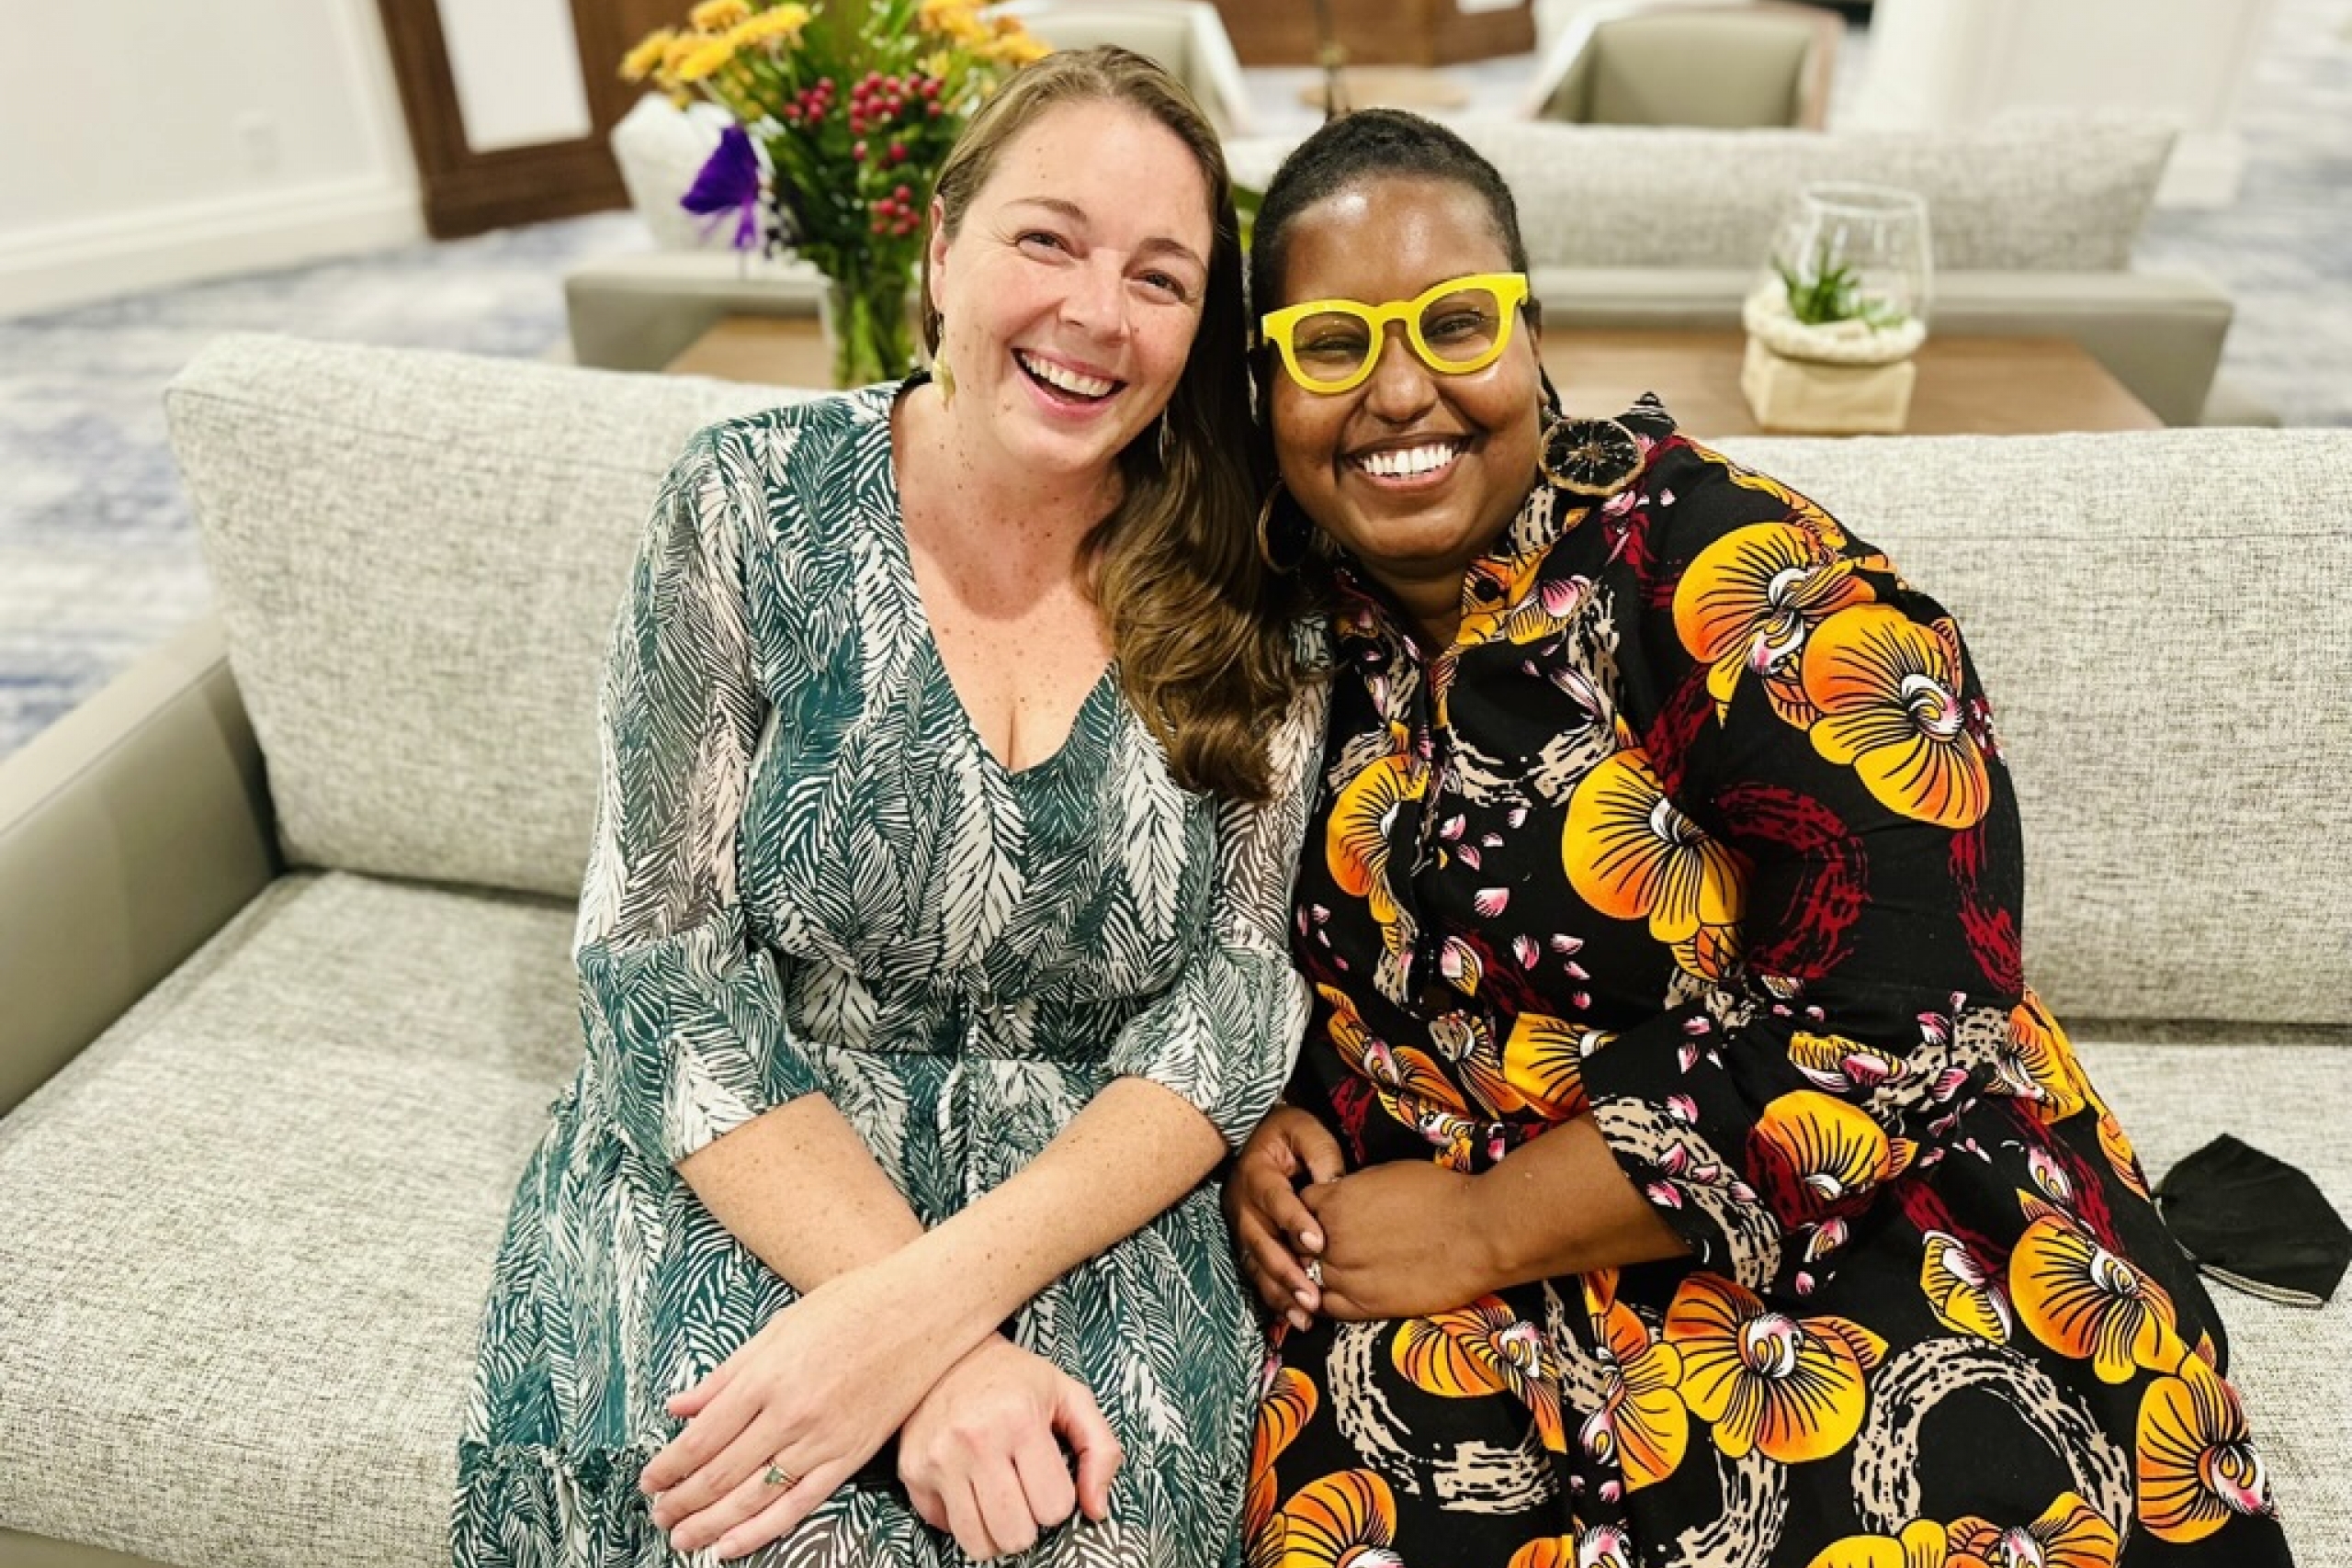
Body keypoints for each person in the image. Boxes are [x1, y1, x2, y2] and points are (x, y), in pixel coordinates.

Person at [1225, 109, 2292, 1568]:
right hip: (1432, 1288)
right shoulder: (1271, 617)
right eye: (1332, 343)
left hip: (1832, 1219)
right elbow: (1233, 931)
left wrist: (1486, 1226)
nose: (1400, 389)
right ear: (1266, 385)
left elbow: (1909, 1003)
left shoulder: (1733, 577)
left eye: (1453, 323)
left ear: (1532, 338)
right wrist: (1270, 1110)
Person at [453, 48, 1324, 1567]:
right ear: (939, 248)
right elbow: (658, 966)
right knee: (735, 1536)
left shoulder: (1252, 579)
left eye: (1162, 278)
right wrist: (930, 1347)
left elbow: (1236, 998)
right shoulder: (745, 502)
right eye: (1046, 239)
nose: (1096, 315)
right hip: (756, 1159)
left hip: (1087, 1195)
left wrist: (924, 1316)